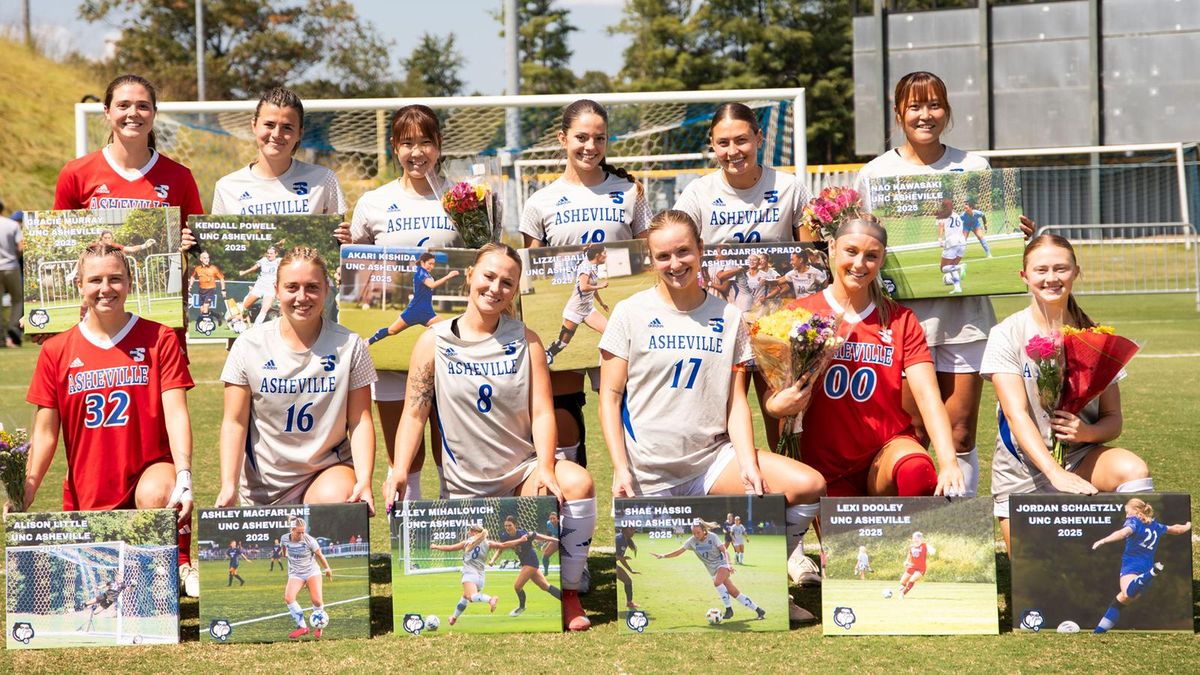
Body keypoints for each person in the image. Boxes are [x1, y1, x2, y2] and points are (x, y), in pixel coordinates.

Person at [598, 210, 825, 621]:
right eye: (663, 255)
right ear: (651, 260)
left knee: (808, 485)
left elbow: (736, 401)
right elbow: (610, 397)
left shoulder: (730, 317)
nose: (675, 263)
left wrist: (748, 463)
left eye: (684, 251)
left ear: (701, 251)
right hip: (648, 473)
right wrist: (620, 468)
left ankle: (770, 586)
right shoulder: (629, 313)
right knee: (658, 587)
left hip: (710, 462)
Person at [382, 243, 596, 631]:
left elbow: (543, 411)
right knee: (467, 585)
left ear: (514, 292)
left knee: (577, 482)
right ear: (469, 276)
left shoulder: (526, 340)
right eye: (489, 276)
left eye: (507, 283)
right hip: (466, 491)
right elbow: (414, 414)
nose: (495, 288)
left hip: (519, 478)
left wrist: (547, 467)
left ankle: (569, 592)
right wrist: (398, 470)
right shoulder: (434, 341)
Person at [855, 71, 1037, 498]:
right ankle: (916, 525)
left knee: (958, 434)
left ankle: (959, 534)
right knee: (913, 433)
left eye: (934, 104)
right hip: (901, 322)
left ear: (947, 110)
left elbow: (989, 230)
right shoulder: (876, 173)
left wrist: (1012, 232)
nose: (925, 115)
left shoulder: (973, 167)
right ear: (899, 112)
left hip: (964, 320)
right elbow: (858, 242)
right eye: (915, 106)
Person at [18, 243, 197, 596]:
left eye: (115, 279)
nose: (106, 288)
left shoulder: (159, 338)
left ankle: (176, 564)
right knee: (102, 594)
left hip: (149, 468)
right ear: (79, 287)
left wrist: (185, 474)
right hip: (91, 484)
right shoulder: (57, 351)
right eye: (95, 280)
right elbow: (45, 431)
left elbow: (176, 411)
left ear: (130, 283)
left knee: (159, 490)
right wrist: (28, 486)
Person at [765, 217, 964, 498]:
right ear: (832, 247)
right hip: (824, 464)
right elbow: (772, 395)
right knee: (846, 543)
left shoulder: (900, 319)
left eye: (871, 256)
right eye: (851, 251)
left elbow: (928, 395)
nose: (860, 264)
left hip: (887, 450)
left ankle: (909, 538)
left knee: (917, 470)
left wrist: (949, 463)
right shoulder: (798, 314)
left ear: (882, 260)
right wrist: (776, 406)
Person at [981, 234, 1152, 550]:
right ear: (1024, 276)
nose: (1051, 278)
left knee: (1133, 469)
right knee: (1035, 574)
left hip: (1081, 461)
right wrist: (1054, 472)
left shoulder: (1096, 337)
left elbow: (1113, 420)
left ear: (1076, 272)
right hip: (1023, 470)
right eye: (1041, 270)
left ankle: (1134, 566)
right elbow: (1015, 414)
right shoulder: (1006, 333)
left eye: (1061, 269)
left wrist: (1086, 432)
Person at [337, 105, 463, 501]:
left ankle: (452, 513)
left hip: (450, 339)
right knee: (401, 449)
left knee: (450, 441)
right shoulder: (374, 203)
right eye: (407, 143)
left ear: (439, 146)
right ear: (394, 147)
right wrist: (344, 248)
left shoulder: (463, 199)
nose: (417, 152)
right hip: (394, 350)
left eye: (426, 142)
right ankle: (410, 533)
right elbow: (354, 271)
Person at [674, 102, 816, 452]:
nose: (732, 151)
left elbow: (813, 255)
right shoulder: (698, 193)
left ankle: (795, 501)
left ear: (759, 137)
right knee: (717, 424)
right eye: (723, 143)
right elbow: (677, 251)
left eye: (741, 140)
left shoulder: (789, 188)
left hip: (777, 327)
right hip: (719, 325)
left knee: (785, 421)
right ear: (712, 144)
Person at [520, 98, 652, 468]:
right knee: (563, 420)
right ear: (562, 139)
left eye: (599, 138)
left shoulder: (630, 192)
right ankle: (576, 512)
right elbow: (534, 272)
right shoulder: (540, 201)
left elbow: (647, 256)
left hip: (627, 321)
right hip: (572, 301)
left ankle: (639, 497)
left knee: (632, 416)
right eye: (581, 137)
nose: (590, 147)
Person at [216, 247, 377, 509]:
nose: (302, 297)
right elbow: (234, 423)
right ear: (276, 290)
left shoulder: (351, 345)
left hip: (325, 472)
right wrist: (228, 485)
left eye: (312, 287)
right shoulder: (248, 345)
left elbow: (360, 420)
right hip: (264, 487)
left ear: (326, 289)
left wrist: (365, 481)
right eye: (292, 287)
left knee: (337, 497)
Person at [53, 74, 202, 235]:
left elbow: (199, 251)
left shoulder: (180, 177)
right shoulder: (76, 173)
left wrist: (190, 245)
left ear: (154, 113)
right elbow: (60, 242)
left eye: (143, 106)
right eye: (123, 105)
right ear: (107, 111)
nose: (133, 113)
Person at [210, 87, 347, 217]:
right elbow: (216, 240)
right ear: (254, 125)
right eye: (269, 125)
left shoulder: (324, 179)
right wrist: (192, 240)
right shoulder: (227, 187)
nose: (276, 134)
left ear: (300, 133)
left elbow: (336, 237)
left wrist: (344, 239)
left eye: (287, 127)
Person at [1091, 497, 1191, 633]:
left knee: (1126, 593)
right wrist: (1187, 526)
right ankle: (1098, 632)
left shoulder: (1133, 522)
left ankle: (1152, 573)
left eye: (1127, 512)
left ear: (1136, 510)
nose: (1127, 515)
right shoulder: (1156, 526)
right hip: (1146, 566)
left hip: (1132, 564)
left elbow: (1123, 532)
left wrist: (1103, 540)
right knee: (1121, 599)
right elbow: (1176, 530)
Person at [653, 520, 766, 621]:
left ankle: (729, 610)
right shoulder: (692, 541)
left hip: (723, 565)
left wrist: (728, 564)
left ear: (704, 530)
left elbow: (725, 551)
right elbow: (678, 552)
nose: (696, 535)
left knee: (717, 582)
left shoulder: (712, 537)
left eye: (698, 532)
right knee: (735, 593)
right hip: (712, 571)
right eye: (694, 533)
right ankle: (759, 610)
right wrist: (663, 555)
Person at [366, 252, 460, 344]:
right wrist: (448, 276)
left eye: (433, 264)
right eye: (429, 264)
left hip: (427, 312)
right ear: (423, 263)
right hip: (414, 311)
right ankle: (369, 341)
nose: (432, 266)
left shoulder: (426, 273)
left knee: (445, 328)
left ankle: (454, 351)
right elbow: (432, 285)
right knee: (392, 331)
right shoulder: (420, 273)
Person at [544, 243, 609, 365]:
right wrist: (601, 285)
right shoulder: (586, 268)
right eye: (604, 253)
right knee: (562, 343)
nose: (606, 256)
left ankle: (603, 364)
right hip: (575, 310)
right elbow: (584, 287)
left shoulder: (593, 264)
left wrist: (601, 303)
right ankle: (547, 353)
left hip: (588, 309)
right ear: (597, 255)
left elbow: (592, 288)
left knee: (609, 332)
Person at [430, 524, 507, 625]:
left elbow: (450, 548)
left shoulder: (468, 543)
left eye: (470, 531)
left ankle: (490, 599)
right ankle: (454, 618)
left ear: (475, 532)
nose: (468, 533)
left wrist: (436, 546)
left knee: (470, 596)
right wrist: (519, 541)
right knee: (465, 597)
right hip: (481, 577)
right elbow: (503, 545)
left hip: (470, 574)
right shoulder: (487, 543)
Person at [486, 515, 562, 617]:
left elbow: (538, 536)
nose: (507, 527)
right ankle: (566, 600)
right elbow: (500, 548)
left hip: (531, 561)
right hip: (525, 563)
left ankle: (521, 607)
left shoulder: (523, 534)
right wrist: (492, 560)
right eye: (506, 526)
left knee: (517, 586)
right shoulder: (505, 536)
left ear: (515, 525)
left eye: (510, 525)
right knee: (545, 586)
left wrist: (555, 540)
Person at [280, 516, 334, 640]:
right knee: (289, 598)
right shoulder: (284, 538)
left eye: (303, 531)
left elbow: (319, 555)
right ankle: (302, 627)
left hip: (311, 572)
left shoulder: (309, 540)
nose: (302, 534)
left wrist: (327, 569)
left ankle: (319, 626)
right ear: (292, 530)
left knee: (317, 601)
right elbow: (283, 549)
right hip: (295, 573)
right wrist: (284, 554)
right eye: (299, 532)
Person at [237, 243, 284, 325]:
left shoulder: (279, 261)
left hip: (270, 289)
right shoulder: (263, 260)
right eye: (268, 253)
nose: (269, 255)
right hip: (259, 287)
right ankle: (241, 319)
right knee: (245, 307)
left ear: (276, 254)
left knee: (264, 310)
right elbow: (254, 268)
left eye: (271, 253)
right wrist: (244, 272)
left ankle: (255, 329)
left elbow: (289, 264)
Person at [0, 200, 22, 348]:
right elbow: (21, 247)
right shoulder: (12, 224)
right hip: (11, 266)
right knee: (18, 299)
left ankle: (1, 337)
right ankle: (13, 329)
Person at [936, 200, 967, 294]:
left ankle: (960, 267)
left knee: (943, 268)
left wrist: (940, 239)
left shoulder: (943, 215)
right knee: (952, 265)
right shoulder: (957, 215)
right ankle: (957, 287)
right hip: (962, 242)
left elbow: (941, 226)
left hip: (951, 243)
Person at [189, 250, 227, 325]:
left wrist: (223, 290)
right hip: (201, 290)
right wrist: (190, 286)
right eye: (205, 258)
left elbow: (221, 278)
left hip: (210, 290)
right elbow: (193, 277)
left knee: (206, 307)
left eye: (208, 258)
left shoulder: (214, 268)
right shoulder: (197, 268)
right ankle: (217, 315)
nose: (207, 259)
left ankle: (205, 325)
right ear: (201, 259)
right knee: (202, 310)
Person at [893, 531, 934, 598]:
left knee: (912, 579)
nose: (914, 539)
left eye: (915, 538)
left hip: (921, 568)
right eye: (913, 538)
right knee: (902, 582)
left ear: (920, 538)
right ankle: (903, 585)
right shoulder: (911, 546)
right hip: (911, 566)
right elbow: (909, 555)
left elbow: (933, 551)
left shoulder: (925, 545)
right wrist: (906, 561)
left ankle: (902, 594)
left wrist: (932, 550)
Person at [615, 525, 640, 611]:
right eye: (631, 529)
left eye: (634, 530)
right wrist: (622, 558)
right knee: (628, 581)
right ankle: (629, 603)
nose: (633, 532)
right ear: (624, 529)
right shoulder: (618, 539)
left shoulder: (625, 540)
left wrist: (630, 570)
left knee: (628, 581)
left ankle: (629, 603)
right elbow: (613, 556)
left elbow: (620, 557)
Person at [541, 510, 560, 576]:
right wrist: (545, 542)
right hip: (555, 541)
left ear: (558, 518)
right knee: (545, 555)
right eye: (551, 518)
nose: (552, 520)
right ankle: (546, 571)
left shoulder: (562, 523)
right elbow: (549, 535)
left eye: (554, 518)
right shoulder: (548, 524)